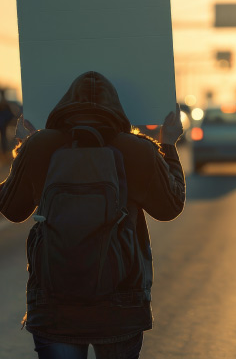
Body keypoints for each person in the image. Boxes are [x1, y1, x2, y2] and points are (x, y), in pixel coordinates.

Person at [0, 71, 186, 359]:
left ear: (63, 105)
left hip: (53, 301)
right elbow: (170, 207)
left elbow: (12, 210)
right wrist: (169, 145)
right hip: (120, 303)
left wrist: (26, 149)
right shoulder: (138, 149)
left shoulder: (41, 146)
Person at [0, 89, 16, 156]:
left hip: (4, 124)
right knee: (4, 138)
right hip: (4, 123)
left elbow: (11, 115)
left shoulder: (6, 105)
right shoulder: (5, 105)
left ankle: (4, 152)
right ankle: (4, 153)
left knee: (4, 138)